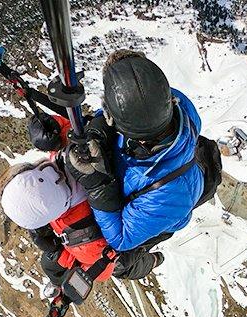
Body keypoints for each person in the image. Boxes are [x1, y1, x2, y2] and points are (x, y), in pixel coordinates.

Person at [29, 49, 222, 272]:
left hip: (154, 217)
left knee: (122, 265)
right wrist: (76, 132)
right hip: (142, 187)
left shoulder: (170, 195)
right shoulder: (162, 102)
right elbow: (120, 111)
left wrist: (98, 186)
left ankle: (151, 262)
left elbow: (121, 238)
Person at [0, 158, 161, 295]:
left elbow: (100, 271)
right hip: (135, 197)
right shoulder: (69, 159)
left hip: (120, 240)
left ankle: (155, 260)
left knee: (122, 268)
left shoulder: (83, 241)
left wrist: (58, 253)